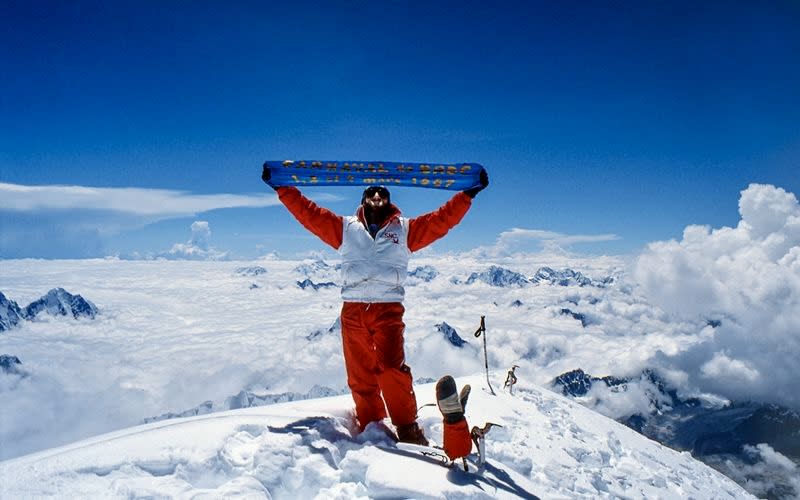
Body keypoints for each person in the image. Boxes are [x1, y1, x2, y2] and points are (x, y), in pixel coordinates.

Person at [262, 164, 489, 445]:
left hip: (388, 309)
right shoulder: (345, 229)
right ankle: (372, 425)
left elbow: (441, 221)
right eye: (372, 193)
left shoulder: (405, 230)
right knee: (360, 375)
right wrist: (284, 189)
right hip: (353, 309)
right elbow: (309, 214)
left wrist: (466, 196)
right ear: (364, 199)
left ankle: (407, 427)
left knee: (393, 369)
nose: (377, 198)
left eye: (382, 194)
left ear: (389, 200)